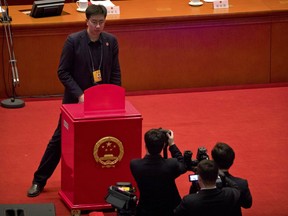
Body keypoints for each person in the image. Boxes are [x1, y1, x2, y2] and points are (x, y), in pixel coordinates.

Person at [27, 4, 121, 197]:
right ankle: (39, 180)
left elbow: (115, 72)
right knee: (59, 140)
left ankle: (101, 181)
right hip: (75, 101)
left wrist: (116, 96)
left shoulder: (111, 41)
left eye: (101, 22)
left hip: (102, 103)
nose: (97, 26)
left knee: (101, 140)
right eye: (94, 22)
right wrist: (80, 94)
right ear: (86, 21)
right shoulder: (73, 41)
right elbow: (62, 71)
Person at [130, 128, 187, 216]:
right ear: (164, 145)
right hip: (170, 210)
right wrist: (172, 145)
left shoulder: (135, 165)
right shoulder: (171, 165)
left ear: (146, 145)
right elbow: (183, 165)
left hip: (146, 210)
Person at [174, 160, 240, 216]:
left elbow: (176, 213)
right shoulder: (229, 194)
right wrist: (223, 176)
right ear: (217, 177)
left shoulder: (189, 201)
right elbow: (236, 188)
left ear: (199, 178)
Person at [211, 142, 253, 216]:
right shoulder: (241, 184)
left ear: (213, 161)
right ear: (232, 161)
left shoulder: (205, 183)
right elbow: (247, 204)